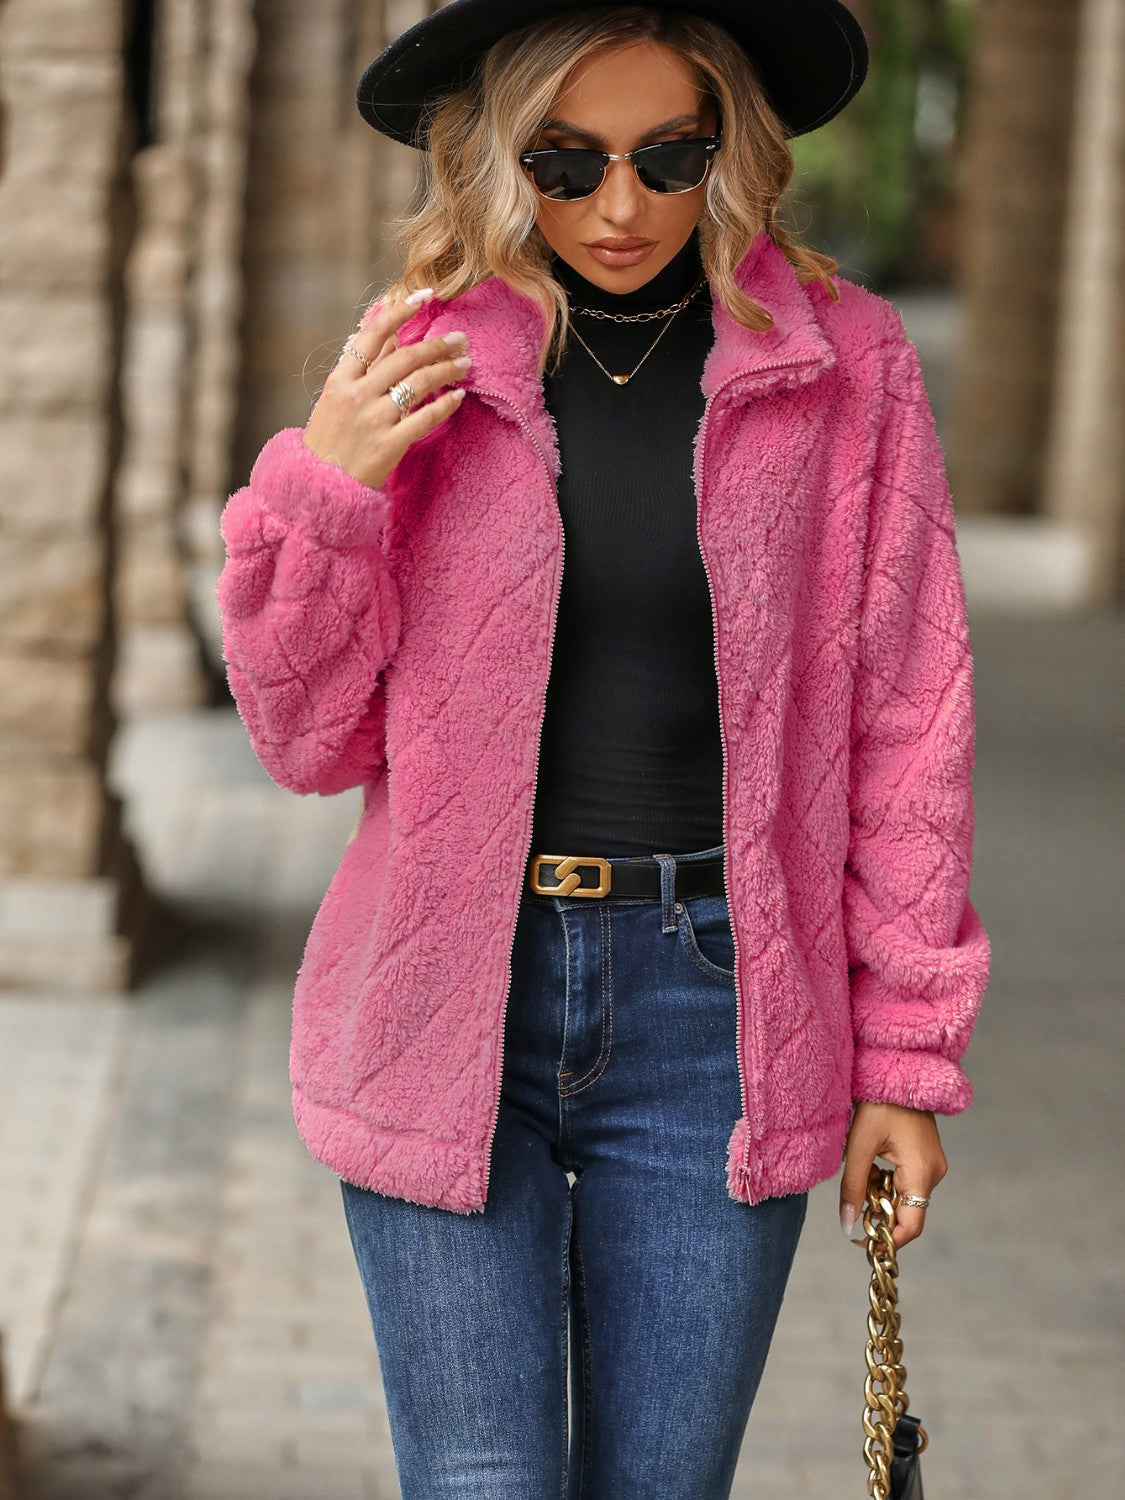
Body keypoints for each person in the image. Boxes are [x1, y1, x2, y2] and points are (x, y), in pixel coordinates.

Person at [215, 3, 991, 1495]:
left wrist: (905, 1057)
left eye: (667, 158)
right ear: (498, 159)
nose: (619, 206)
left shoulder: (844, 364)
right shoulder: (420, 362)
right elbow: (303, 740)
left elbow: (909, 721)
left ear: (730, 149)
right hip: (448, 989)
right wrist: (329, 487)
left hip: (719, 1011)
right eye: (565, 163)